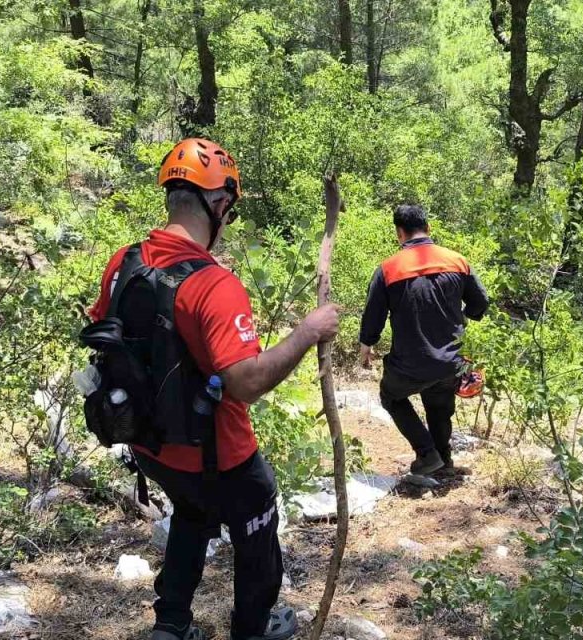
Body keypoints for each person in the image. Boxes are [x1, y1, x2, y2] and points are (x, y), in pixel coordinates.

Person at [89, 138, 339, 640]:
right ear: (220, 204)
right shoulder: (213, 284)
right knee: (258, 531)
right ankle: (252, 628)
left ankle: (172, 623)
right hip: (219, 454)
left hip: (151, 443)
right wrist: (308, 331)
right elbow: (245, 382)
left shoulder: (125, 262)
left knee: (192, 511)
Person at [358, 204, 489, 476]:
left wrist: (366, 344)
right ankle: (443, 461)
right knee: (439, 406)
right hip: (451, 362)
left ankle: (428, 455)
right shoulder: (457, 261)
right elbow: (480, 302)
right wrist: (463, 317)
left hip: (410, 364)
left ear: (399, 234)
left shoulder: (388, 269)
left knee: (391, 397)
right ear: (428, 228)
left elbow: (374, 314)